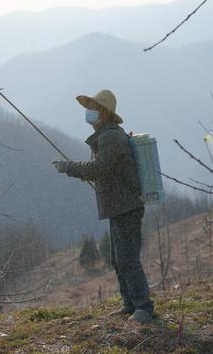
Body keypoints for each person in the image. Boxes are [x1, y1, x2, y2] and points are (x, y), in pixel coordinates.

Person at [52, 89, 154, 324]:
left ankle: (144, 307)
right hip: (119, 206)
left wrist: (68, 167)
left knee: (128, 259)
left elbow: (98, 168)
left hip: (126, 207)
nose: (88, 112)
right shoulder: (107, 135)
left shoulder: (111, 138)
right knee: (119, 259)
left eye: (93, 107)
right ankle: (129, 305)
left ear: (104, 113)